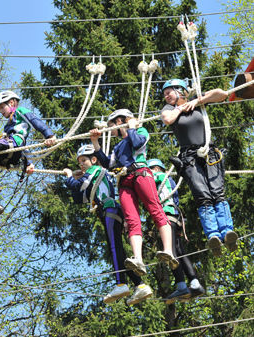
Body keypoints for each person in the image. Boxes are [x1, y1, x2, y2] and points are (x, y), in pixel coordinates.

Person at [90, 109, 179, 277]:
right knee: (132, 220)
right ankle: (138, 259)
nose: (111, 130)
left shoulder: (140, 131)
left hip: (140, 174)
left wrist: (130, 127)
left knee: (155, 209)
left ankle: (168, 250)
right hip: (125, 182)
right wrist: (96, 143)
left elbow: (138, 143)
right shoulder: (118, 146)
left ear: (119, 121)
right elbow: (108, 164)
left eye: (112, 126)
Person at [63, 145, 153, 305]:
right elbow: (79, 197)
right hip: (109, 211)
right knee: (118, 250)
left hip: (109, 209)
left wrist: (69, 177)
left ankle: (121, 284)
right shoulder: (93, 176)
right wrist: (74, 179)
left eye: (84, 160)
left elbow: (79, 185)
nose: (81, 164)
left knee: (114, 249)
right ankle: (140, 285)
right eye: (79, 162)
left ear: (94, 160)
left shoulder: (96, 170)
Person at [160, 79, 238, 256]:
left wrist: (197, 101)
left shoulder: (198, 104)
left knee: (217, 192)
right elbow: (167, 119)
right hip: (189, 157)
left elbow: (222, 94)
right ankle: (213, 235)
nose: (166, 96)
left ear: (181, 91)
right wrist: (180, 108)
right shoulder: (169, 109)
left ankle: (227, 231)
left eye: (169, 92)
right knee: (203, 195)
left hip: (209, 152)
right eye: (165, 94)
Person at [0, 90, 56, 226]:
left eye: (2, 107)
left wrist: (49, 135)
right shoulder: (8, 126)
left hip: (12, 145)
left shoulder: (20, 111)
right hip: (7, 154)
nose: (1, 111)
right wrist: (29, 163)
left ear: (11, 102)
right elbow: (23, 148)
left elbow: (34, 122)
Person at [147, 158, 205, 303]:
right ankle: (194, 283)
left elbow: (146, 181)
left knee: (171, 252)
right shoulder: (168, 180)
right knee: (179, 251)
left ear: (155, 169)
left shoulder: (159, 176)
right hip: (174, 216)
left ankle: (181, 285)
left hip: (167, 215)